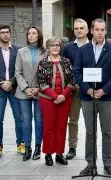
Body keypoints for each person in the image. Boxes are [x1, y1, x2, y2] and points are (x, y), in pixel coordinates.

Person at [74, 18, 111, 176]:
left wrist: (104, 90)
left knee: (106, 131)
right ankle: (90, 164)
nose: (100, 33)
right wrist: (87, 90)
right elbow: (77, 72)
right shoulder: (83, 49)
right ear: (91, 31)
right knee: (89, 132)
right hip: (87, 97)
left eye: (102, 30)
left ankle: (107, 164)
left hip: (106, 97)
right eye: (97, 30)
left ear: (105, 31)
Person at [37, 37, 75, 166]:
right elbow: (41, 83)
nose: (55, 48)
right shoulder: (43, 63)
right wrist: (55, 96)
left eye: (57, 45)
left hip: (65, 100)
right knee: (49, 127)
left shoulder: (66, 61)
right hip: (47, 100)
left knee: (61, 126)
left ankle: (59, 153)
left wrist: (63, 95)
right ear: (47, 48)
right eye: (52, 45)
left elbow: (72, 80)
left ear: (60, 47)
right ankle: (48, 154)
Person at [0, 24, 24, 158]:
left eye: (7, 32)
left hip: (15, 89)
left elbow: (20, 69)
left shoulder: (18, 50)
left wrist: (11, 82)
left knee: (19, 118)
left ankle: (21, 143)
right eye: (2, 32)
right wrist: (0, 83)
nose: (5, 34)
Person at [15, 26, 46, 161]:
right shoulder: (21, 52)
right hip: (24, 92)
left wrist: (39, 88)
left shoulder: (45, 52)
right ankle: (27, 148)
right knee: (26, 120)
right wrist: (26, 88)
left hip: (40, 91)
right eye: (29, 34)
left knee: (39, 120)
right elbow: (17, 72)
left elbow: (47, 72)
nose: (31, 36)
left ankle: (38, 147)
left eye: (34, 33)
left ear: (39, 36)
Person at [62, 18, 89, 160]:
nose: (79, 30)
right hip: (74, 89)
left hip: (91, 90)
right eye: (76, 28)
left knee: (90, 120)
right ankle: (72, 147)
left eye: (81, 28)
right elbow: (65, 68)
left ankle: (91, 148)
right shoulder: (68, 48)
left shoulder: (95, 46)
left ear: (87, 30)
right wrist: (75, 83)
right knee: (73, 120)